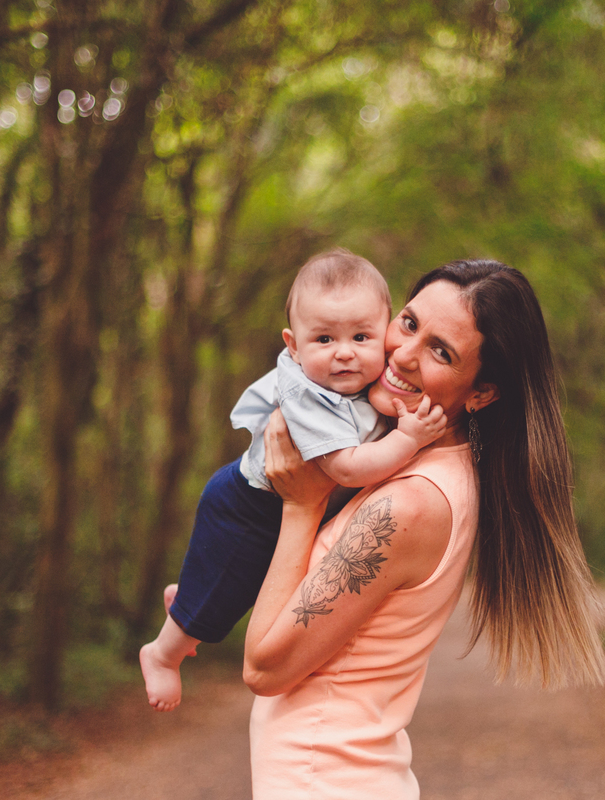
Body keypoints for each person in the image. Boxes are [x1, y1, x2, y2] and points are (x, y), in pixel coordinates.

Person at [243, 259, 605, 799]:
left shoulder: (410, 504)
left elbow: (264, 668)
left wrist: (301, 506)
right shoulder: (415, 468)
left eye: (442, 351)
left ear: (481, 392)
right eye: (410, 323)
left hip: (324, 780)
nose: (402, 355)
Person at [140, 248, 447, 711]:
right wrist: (409, 440)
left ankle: (193, 592)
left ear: (383, 332)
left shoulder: (364, 377)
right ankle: (163, 654)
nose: (344, 352)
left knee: (248, 585)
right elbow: (345, 469)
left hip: (276, 503)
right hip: (246, 508)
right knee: (229, 586)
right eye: (324, 338)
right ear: (293, 344)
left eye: (361, 336)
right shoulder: (308, 393)